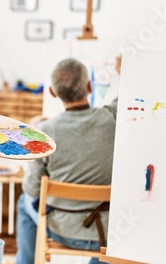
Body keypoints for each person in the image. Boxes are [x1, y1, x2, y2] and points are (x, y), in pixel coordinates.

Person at [15, 58, 120, 264]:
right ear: (90, 86)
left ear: (53, 92)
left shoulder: (45, 132)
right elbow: (130, 95)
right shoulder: (113, 119)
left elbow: (32, 189)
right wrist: (123, 70)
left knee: (23, 201)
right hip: (106, 233)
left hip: (61, 230)